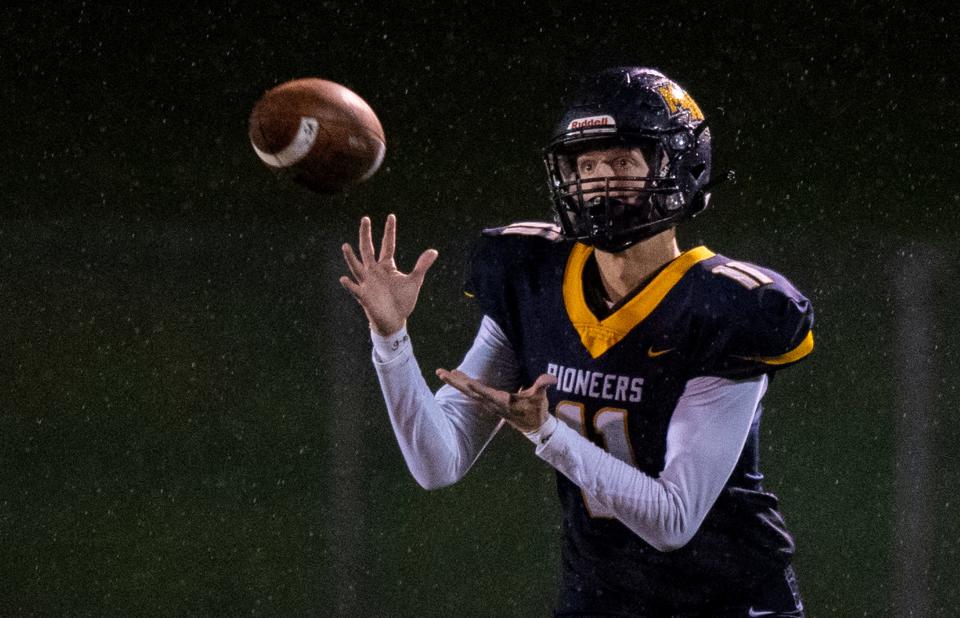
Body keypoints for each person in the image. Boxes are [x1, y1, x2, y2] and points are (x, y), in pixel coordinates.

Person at [339, 67, 813, 617]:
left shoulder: (724, 307)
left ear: (678, 166)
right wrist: (391, 339)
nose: (598, 182)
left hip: (728, 603)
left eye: (621, 162)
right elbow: (438, 461)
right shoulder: (532, 276)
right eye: (586, 164)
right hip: (598, 601)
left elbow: (673, 521)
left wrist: (545, 431)